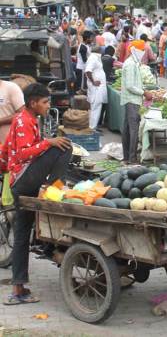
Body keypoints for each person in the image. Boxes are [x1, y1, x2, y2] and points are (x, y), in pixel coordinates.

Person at [2, 83, 72, 306]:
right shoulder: (23, 120)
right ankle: (54, 188)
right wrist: (48, 142)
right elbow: (22, 153)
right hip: (23, 181)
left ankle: (18, 289)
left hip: (19, 181)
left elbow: (6, 149)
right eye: (45, 102)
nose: (48, 105)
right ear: (33, 103)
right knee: (64, 146)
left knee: (21, 236)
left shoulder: (28, 119)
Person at [121, 40, 152, 164]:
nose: (143, 52)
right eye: (142, 50)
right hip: (132, 100)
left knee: (128, 129)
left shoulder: (134, 63)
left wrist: (143, 90)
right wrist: (144, 93)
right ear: (135, 50)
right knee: (133, 130)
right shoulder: (130, 64)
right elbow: (129, 86)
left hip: (133, 99)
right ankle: (131, 158)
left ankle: (127, 157)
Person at [84, 45, 107, 130]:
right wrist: (93, 81)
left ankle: (93, 126)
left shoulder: (95, 57)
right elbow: (88, 71)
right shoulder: (93, 58)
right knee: (95, 107)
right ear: (99, 51)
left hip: (98, 87)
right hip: (96, 88)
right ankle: (92, 128)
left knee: (96, 107)